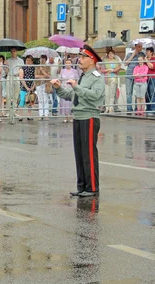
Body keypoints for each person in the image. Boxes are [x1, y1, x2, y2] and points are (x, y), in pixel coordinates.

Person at [51, 45, 105, 197]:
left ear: (92, 60)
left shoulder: (97, 77)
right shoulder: (83, 77)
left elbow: (95, 96)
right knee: (79, 154)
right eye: (80, 57)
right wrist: (59, 88)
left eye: (83, 57)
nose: (79, 60)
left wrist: (77, 88)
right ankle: (82, 186)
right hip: (78, 117)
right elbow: (72, 96)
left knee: (88, 154)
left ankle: (92, 187)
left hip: (89, 117)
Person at [123, 42, 145, 114]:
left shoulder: (142, 54)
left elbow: (144, 63)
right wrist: (133, 55)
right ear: (135, 47)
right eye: (139, 46)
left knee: (137, 93)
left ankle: (137, 108)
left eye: (141, 47)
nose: (140, 48)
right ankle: (129, 109)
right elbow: (125, 63)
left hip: (137, 77)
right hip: (129, 75)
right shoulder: (130, 53)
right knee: (129, 92)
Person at [101, 49, 121, 113]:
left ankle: (111, 107)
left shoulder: (116, 61)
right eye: (109, 54)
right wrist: (108, 70)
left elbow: (118, 69)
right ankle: (106, 107)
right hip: (107, 78)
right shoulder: (105, 61)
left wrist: (113, 70)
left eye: (112, 54)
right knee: (107, 94)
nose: (110, 55)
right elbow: (102, 70)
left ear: (114, 55)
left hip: (114, 78)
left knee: (112, 94)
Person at [18, 55, 36, 121]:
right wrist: (26, 87)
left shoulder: (34, 68)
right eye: (27, 60)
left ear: (32, 61)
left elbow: (35, 78)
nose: (28, 61)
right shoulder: (22, 68)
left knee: (30, 100)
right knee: (22, 100)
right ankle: (20, 116)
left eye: (29, 60)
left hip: (31, 86)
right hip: (23, 87)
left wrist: (33, 87)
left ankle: (29, 115)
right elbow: (21, 78)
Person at [35, 54, 51, 120]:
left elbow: (49, 76)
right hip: (38, 84)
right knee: (40, 99)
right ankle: (41, 114)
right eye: (41, 58)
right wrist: (43, 76)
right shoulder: (37, 67)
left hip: (46, 84)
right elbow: (35, 76)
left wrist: (42, 71)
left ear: (45, 59)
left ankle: (46, 114)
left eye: (43, 59)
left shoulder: (48, 67)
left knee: (46, 99)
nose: (42, 60)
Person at [145, 47, 155, 116]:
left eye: (148, 51)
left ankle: (153, 110)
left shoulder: (154, 59)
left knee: (153, 94)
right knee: (147, 94)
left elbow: (152, 67)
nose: (146, 52)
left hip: (153, 78)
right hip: (146, 78)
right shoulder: (146, 59)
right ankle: (148, 109)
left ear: (151, 52)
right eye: (146, 51)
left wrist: (147, 60)